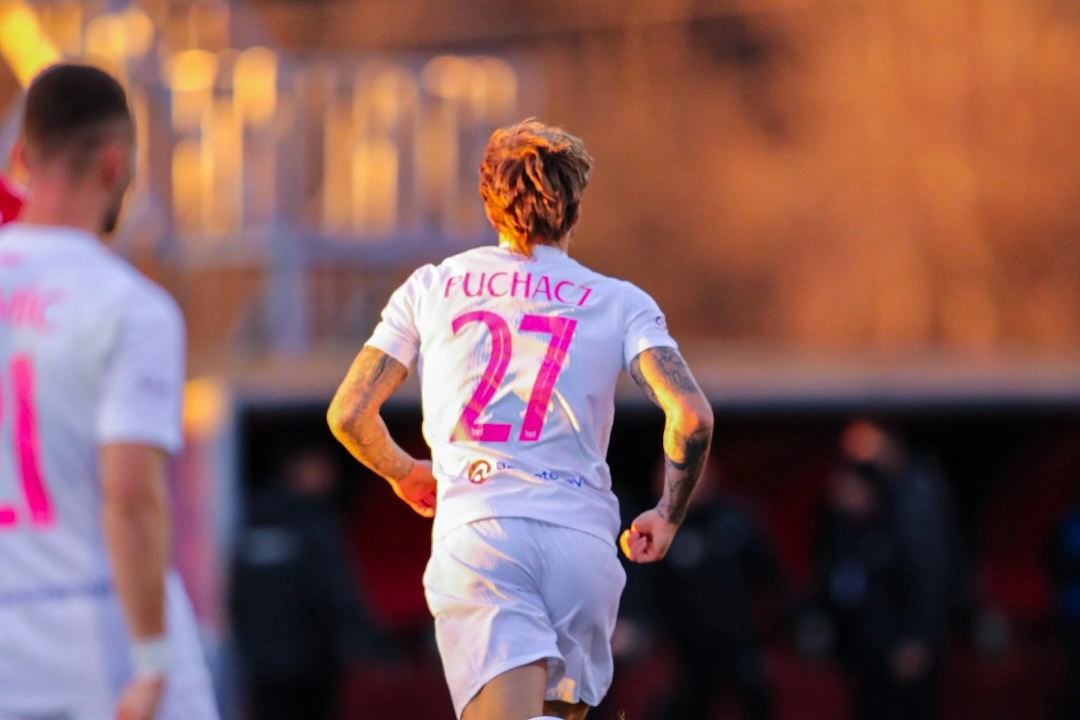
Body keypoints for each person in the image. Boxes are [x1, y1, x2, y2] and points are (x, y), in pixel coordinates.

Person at [328, 118, 714, 720]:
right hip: (582, 545)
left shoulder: (432, 287)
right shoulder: (619, 301)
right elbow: (691, 415)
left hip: (484, 534)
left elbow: (350, 413)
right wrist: (668, 515)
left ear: (488, 204)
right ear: (576, 210)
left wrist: (403, 471)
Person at [0, 64, 218, 720]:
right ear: (116, 162)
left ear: (21, 158)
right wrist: (152, 659)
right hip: (97, 631)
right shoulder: (129, 307)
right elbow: (131, 498)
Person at [231, 440, 386, 720]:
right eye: (322, 466)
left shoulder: (247, 519)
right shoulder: (313, 521)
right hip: (309, 663)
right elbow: (333, 590)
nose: (330, 475)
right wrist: (375, 642)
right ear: (297, 468)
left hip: (260, 663)